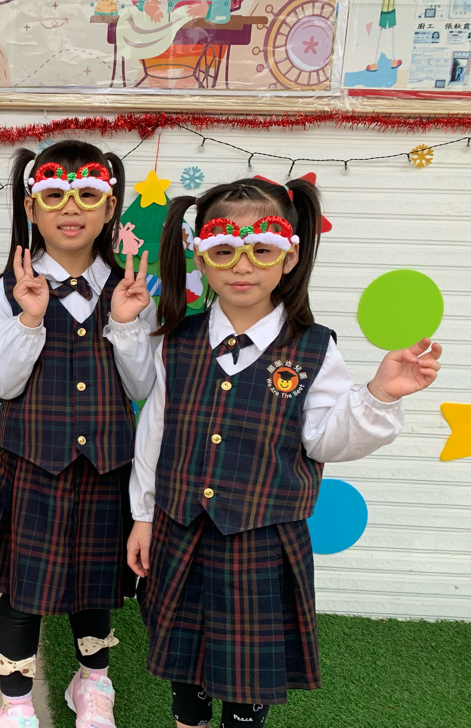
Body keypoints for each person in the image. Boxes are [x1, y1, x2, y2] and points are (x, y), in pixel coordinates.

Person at [127, 177, 443, 728]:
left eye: (262, 249)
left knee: (249, 679)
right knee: (185, 667)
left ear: (289, 256)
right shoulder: (175, 340)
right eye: (224, 250)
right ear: (201, 258)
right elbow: (154, 433)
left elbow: (324, 439)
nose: (242, 265)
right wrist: (143, 516)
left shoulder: (314, 347)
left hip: (264, 540)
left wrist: (379, 394)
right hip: (181, 528)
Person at [0, 140, 157, 728]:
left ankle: (92, 683)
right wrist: (30, 318)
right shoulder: (10, 289)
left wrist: (125, 324)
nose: (70, 208)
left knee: (96, 590)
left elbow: (143, 384)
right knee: (22, 594)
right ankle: (17, 702)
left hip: (106, 468)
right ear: (31, 206)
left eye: (87, 195)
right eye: (53, 194)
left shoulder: (130, 288)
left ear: (110, 208)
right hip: (33, 466)